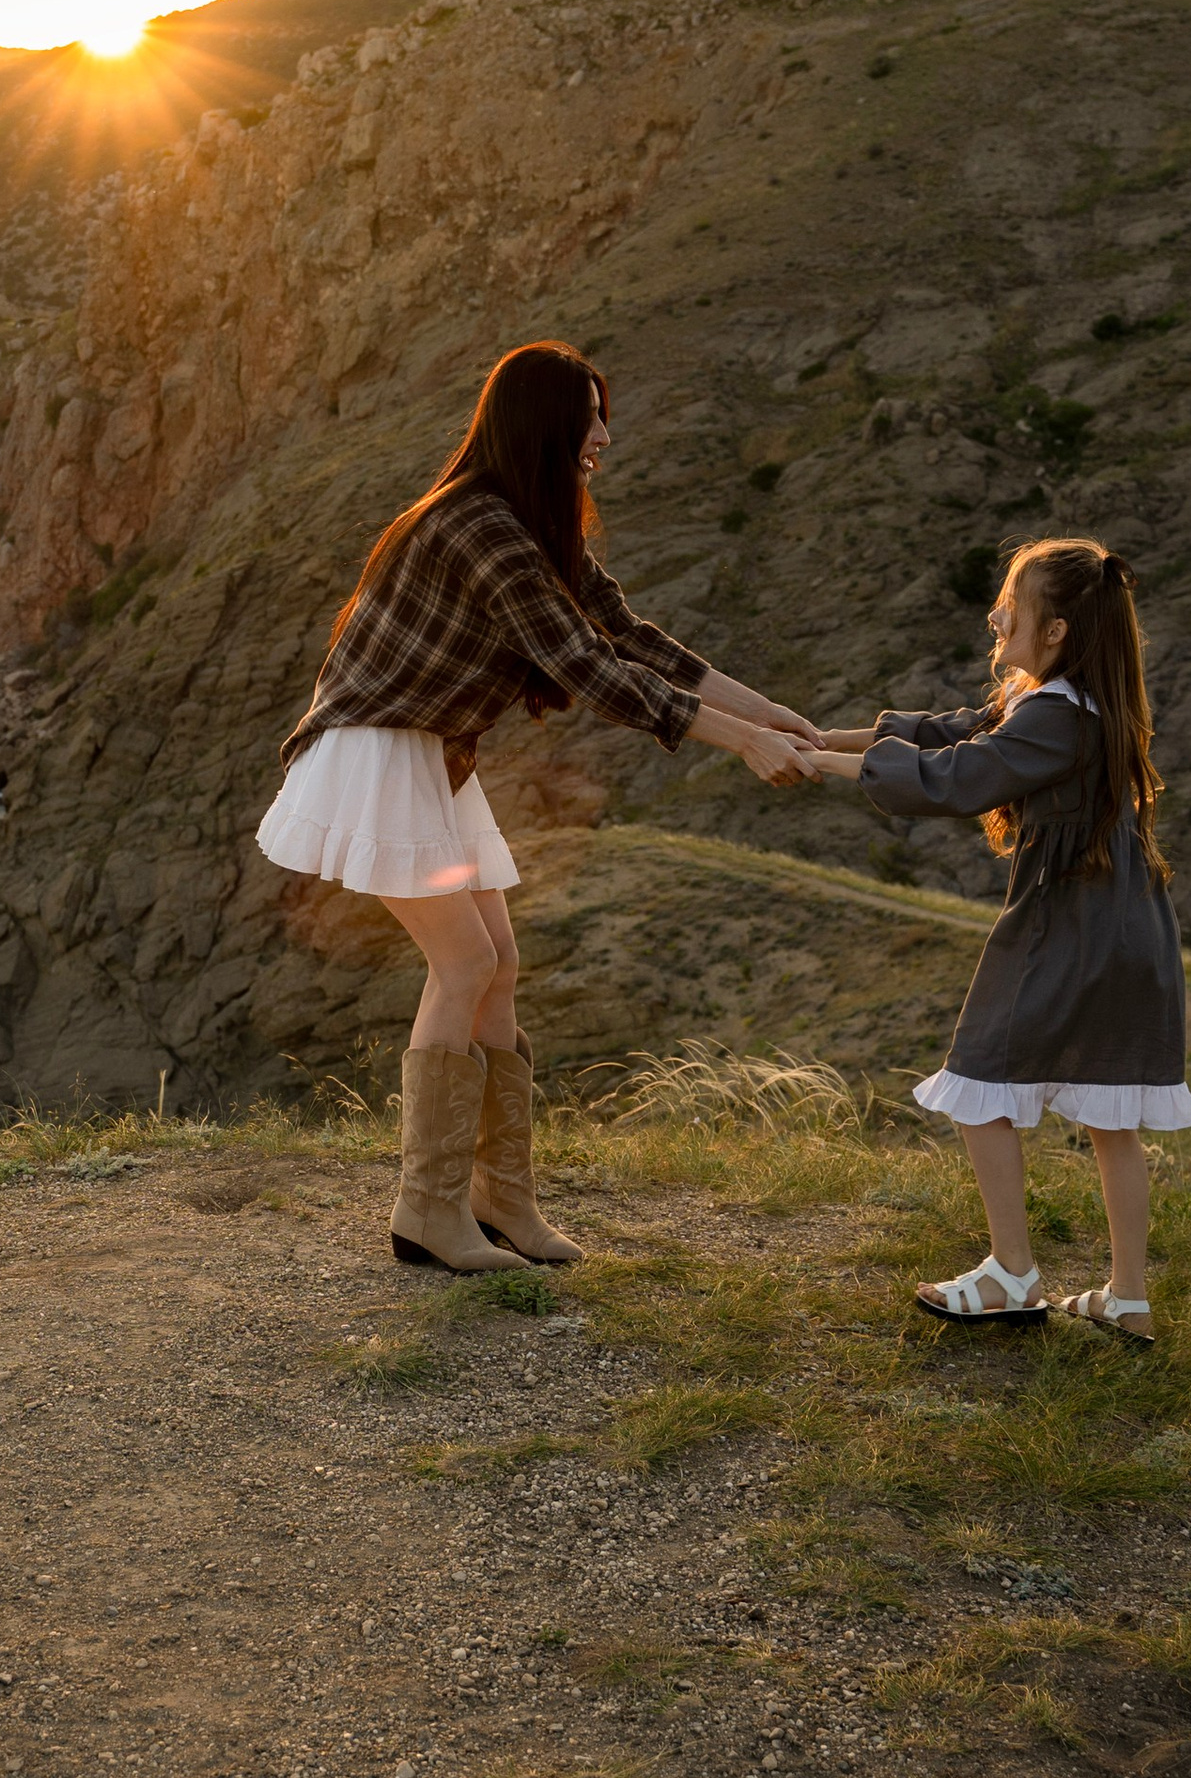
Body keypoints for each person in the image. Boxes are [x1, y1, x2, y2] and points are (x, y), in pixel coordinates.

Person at [258, 341, 820, 1273]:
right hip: (379, 751)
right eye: (588, 417)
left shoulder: (531, 521)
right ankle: (426, 1214)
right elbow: (588, 668)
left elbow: (628, 633)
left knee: (500, 964)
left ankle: (500, 1204)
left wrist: (768, 715)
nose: (603, 435)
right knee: (466, 960)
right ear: (542, 425)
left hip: (430, 751)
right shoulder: (481, 527)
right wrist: (743, 744)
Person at [801, 538, 1191, 1344]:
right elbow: (955, 732)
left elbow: (960, 778)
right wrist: (823, 738)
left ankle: (1012, 1273)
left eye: (1011, 602)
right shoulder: (1065, 699)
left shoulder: (1052, 713)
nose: (996, 614)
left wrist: (814, 766)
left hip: (1072, 923)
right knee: (1110, 1113)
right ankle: (1126, 1297)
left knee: (979, 1072)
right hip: (1126, 926)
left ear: (1053, 631)